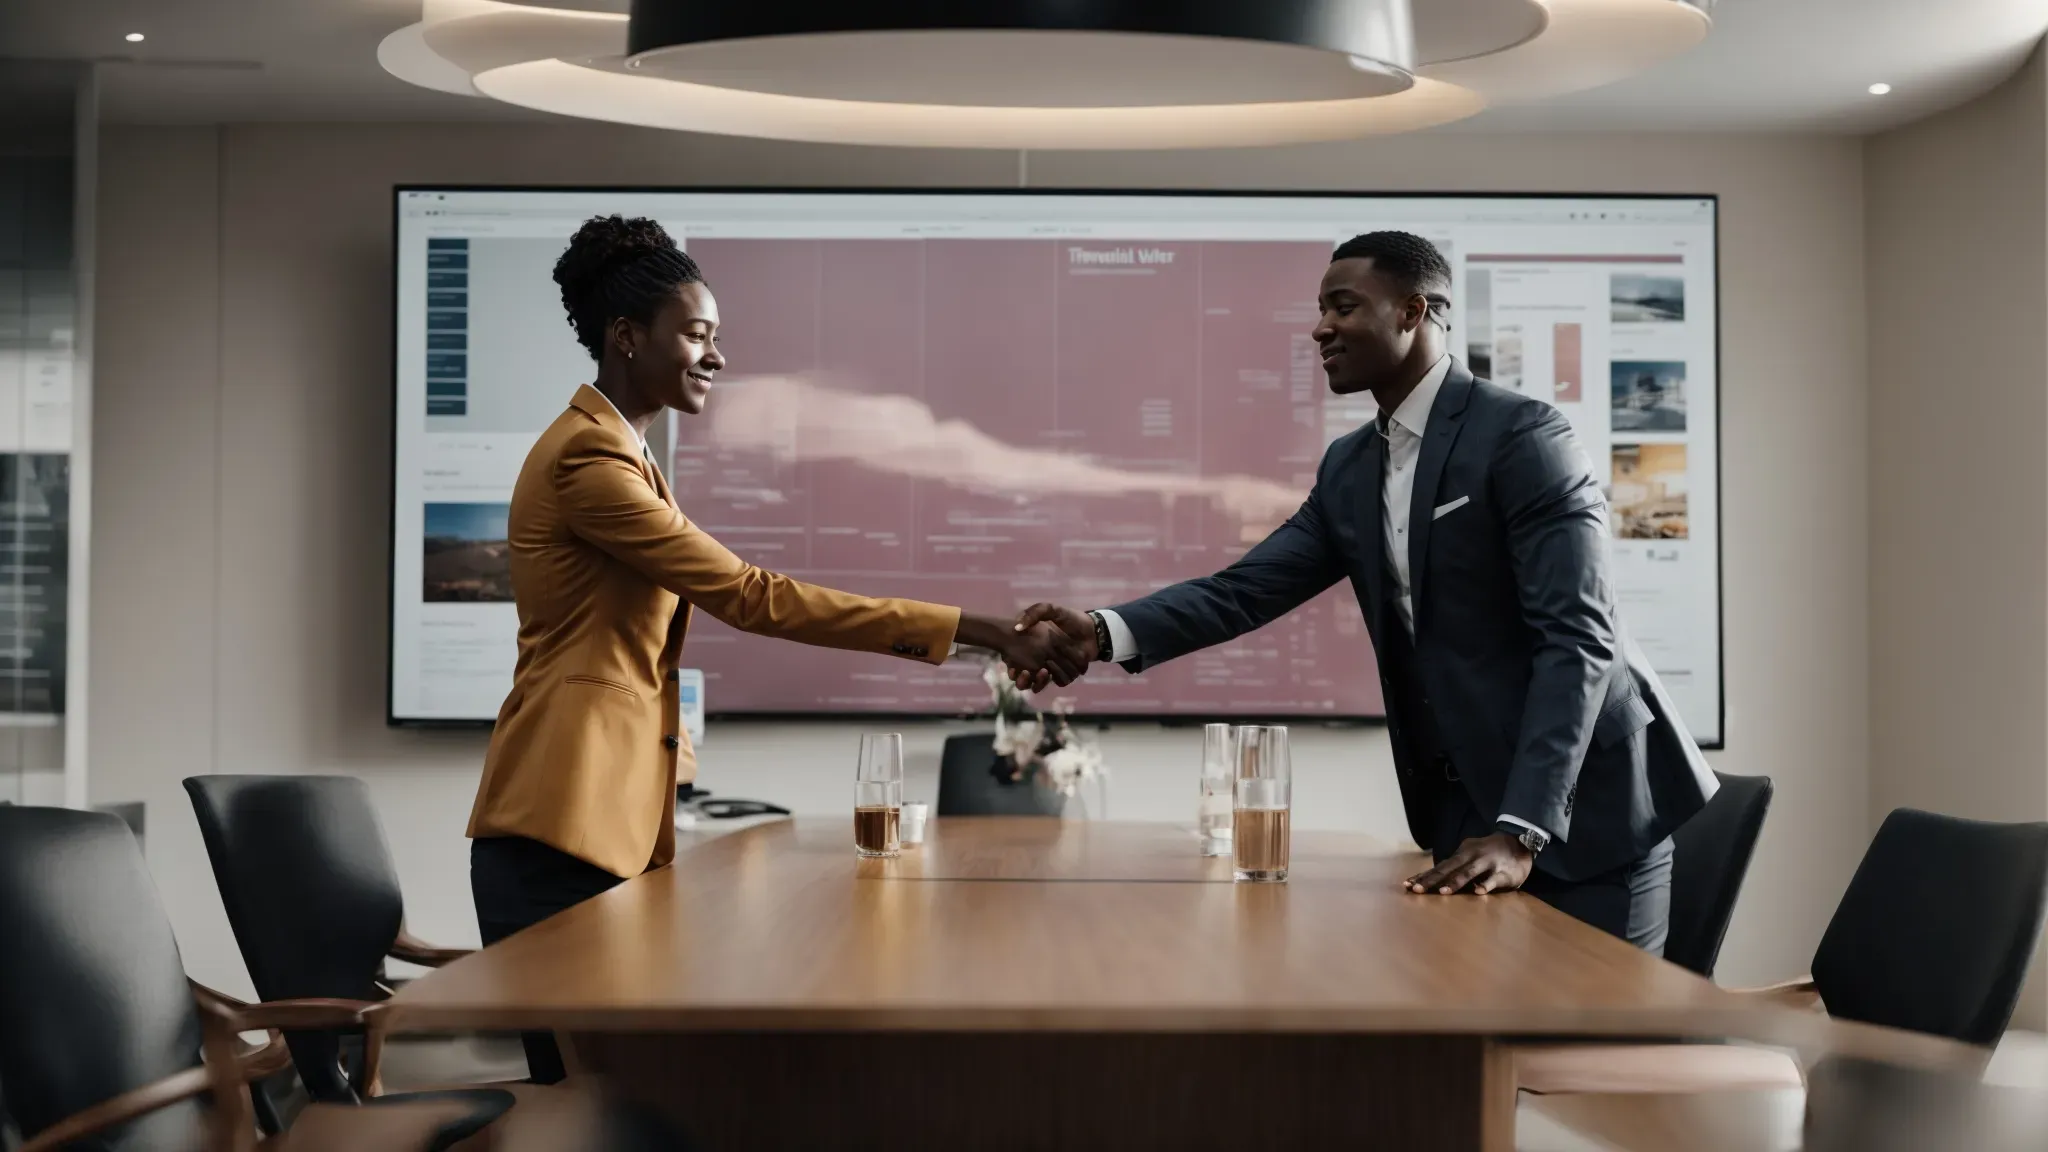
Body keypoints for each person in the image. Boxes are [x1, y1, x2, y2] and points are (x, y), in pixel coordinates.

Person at [468, 216, 1081, 1082]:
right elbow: (751, 596)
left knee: (626, 1098)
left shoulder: (620, 452)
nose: (716, 356)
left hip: (588, 827)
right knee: (595, 1103)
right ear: (625, 337)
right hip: (556, 835)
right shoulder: (588, 465)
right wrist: (986, 633)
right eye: (698, 334)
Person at [1016, 232, 1715, 953]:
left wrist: (1523, 829)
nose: (1320, 328)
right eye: (1319, 309)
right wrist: (1099, 634)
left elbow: (1578, 639)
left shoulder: (1523, 437)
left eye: (1343, 307)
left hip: (1587, 818)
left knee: (1592, 1049)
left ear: (1414, 311)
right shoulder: (1352, 466)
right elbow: (1245, 591)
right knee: (1471, 1041)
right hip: (1468, 824)